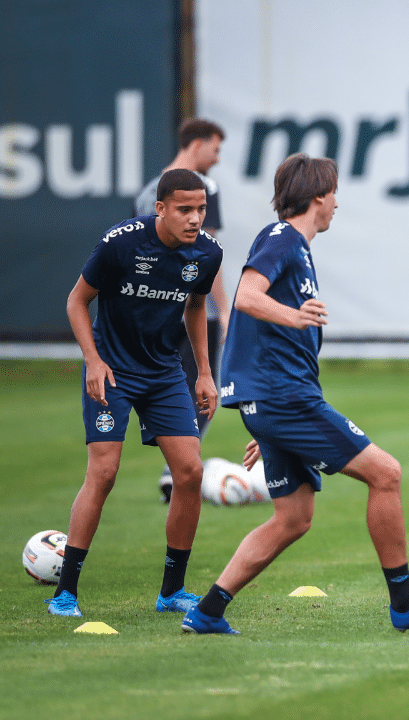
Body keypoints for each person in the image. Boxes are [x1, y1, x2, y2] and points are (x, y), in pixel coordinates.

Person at [181, 153, 409, 634]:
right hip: (282, 398)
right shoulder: (283, 237)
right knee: (386, 474)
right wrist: (292, 321)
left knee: (292, 518)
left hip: (274, 404)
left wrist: (267, 421)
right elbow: (248, 295)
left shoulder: (297, 247)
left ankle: (207, 611)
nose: (337, 203)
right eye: (334, 193)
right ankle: (405, 601)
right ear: (318, 196)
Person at [49, 169, 223, 618]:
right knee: (104, 473)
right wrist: (92, 359)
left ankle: (171, 591)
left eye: (201, 209)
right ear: (160, 208)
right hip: (112, 372)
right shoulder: (121, 243)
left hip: (165, 373)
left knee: (190, 472)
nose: (195, 219)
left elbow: (197, 305)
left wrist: (204, 372)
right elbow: (76, 300)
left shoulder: (207, 253)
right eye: (185, 209)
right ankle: (64, 593)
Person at [134, 118, 232, 503]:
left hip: (156, 309)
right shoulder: (203, 189)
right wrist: (223, 308)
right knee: (205, 390)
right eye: (216, 148)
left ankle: (174, 468)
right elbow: (212, 254)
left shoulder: (148, 192)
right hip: (195, 307)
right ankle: (176, 469)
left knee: (168, 388)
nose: (218, 159)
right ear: (197, 144)